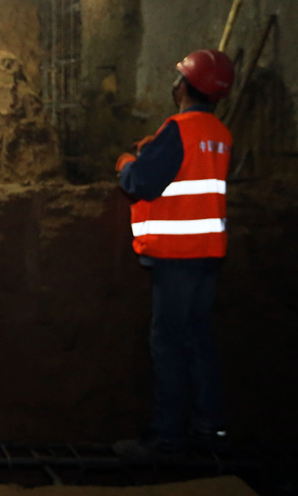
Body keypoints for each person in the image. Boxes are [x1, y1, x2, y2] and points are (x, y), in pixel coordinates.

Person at [112, 49, 235, 460]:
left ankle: (167, 437)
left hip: (177, 256)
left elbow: (143, 183)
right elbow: (190, 172)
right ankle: (209, 428)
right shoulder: (219, 131)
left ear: (184, 86)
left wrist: (129, 162)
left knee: (166, 342)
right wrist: (158, 151)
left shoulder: (178, 129)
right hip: (208, 253)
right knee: (198, 339)